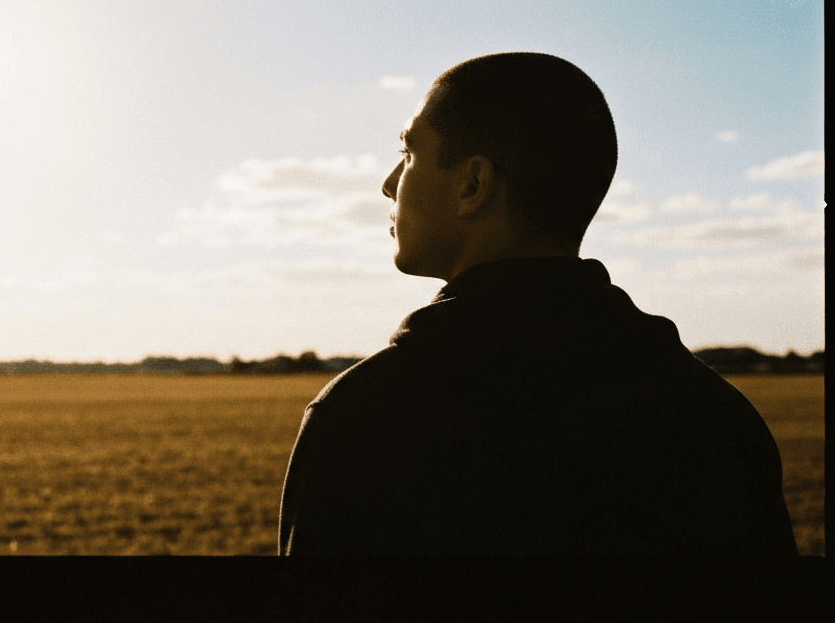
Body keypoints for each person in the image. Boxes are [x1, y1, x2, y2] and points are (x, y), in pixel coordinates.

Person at [278, 53, 797, 555]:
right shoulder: (717, 418)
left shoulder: (365, 418)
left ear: (473, 185)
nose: (389, 184)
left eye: (408, 155)